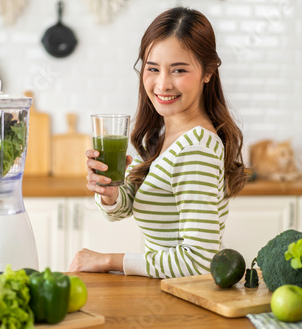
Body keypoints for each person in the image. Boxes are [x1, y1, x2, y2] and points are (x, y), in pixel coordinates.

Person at [68, 6, 247, 278]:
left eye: (178, 70)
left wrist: (107, 260)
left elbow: (200, 261)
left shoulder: (195, 147)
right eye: (153, 68)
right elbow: (131, 207)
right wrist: (111, 193)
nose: (162, 84)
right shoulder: (164, 136)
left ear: (208, 72)